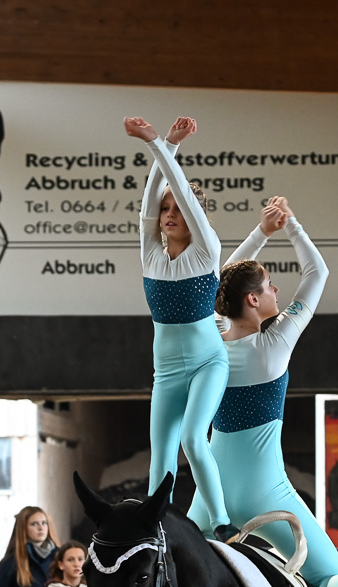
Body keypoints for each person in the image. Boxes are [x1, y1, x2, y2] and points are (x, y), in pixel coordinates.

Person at [199, 195, 338, 587]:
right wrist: (291, 227)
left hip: (209, 496)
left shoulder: (212, 338)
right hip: (267, 496)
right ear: (253, 301)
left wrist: (260, 234)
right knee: (335, 578)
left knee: (170, 574)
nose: (276, 290)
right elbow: (318, 272)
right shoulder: (274, 343)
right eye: (269, 286)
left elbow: (219, 285)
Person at [125, 113, 233, 537]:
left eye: (178, 209)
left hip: (209, 361)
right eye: (164, 209)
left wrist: (161, 143)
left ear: (194, 216)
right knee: (161, 455)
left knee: (193, 438)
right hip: (167, 370)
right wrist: (164, 145)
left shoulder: (207, 250)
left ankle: (220, 523)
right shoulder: (151, 253)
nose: (168, 214)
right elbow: (149, 201)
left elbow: (181, 191)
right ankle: (156, 528)